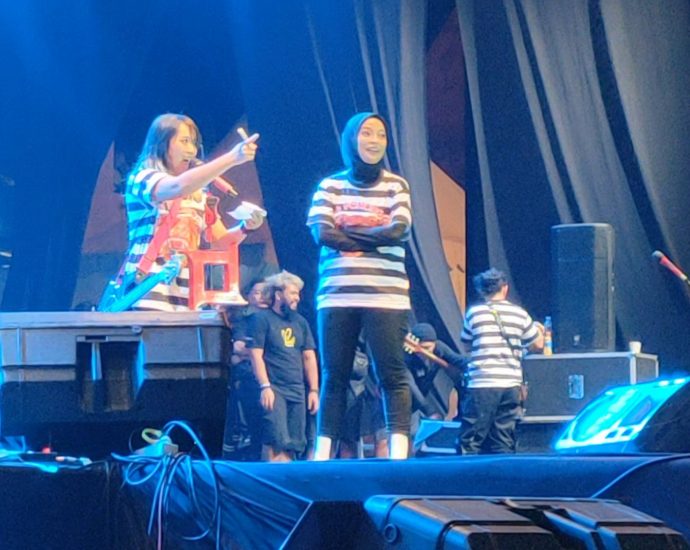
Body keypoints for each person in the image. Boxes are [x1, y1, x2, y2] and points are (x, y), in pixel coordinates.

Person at [307, 112, 412, 460]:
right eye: (367, 133)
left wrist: (347, 232)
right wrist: (374, 235)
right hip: (337, 294)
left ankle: (398, 455)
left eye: (380, 134)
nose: (374, 141)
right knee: (334, 375)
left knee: (391, 373)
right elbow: (323, 234)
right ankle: (323, 454)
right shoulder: (330, 186)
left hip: (386, 295)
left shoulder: (396, 186)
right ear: (351, 139)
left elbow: (398, 230)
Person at [104, 113, 265, 311]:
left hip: (188, 290)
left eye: (194, 143)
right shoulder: (143, 178)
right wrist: (232, 158)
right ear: (162, 144)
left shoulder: (199, 194)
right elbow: (177, 187)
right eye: (184, 141)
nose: (191, 150)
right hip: (148, 286)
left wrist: (245, 227)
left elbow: (221, 241)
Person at [457, 268, 544, 454]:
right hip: (510, 383)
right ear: (505, 288)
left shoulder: (474, 313)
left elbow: (466, 345)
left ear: (481, 291)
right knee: (504, 439)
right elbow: (538, 344)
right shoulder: (519, 314)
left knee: (471, 439)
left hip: (481, 383)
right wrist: (539, 330)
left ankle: (467, 472)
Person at [247, 271, 319, 462]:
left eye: (298, 294)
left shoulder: (300, 322)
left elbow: (309, 357)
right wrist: (265, 386)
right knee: (275, 439)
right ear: (279, 294)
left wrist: (313, 390)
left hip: (297, 389)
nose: (297, 298)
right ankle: (271, 477)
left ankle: (287, 476)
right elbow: (255, 355)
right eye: (293, 293)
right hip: (275, 388)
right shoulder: (262, 319)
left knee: (294, 443)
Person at [222, 279, 269, 460]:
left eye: (266, 292)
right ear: (248, 297)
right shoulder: (244, 319)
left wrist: (251, 353)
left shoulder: (276, 319)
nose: (262, 296)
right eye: (257, 292)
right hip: (248, 376)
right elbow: (238, 348)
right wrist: (260, 352)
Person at [403, 323, 466, 434]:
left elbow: (458, 360)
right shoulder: (406, 357)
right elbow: (411, 386)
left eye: (427, 348)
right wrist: (430, 410)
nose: (423, 352)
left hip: (418, 401)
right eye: (420, 348)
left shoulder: (439, 348)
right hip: (401, 400)